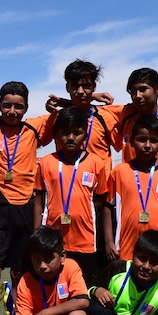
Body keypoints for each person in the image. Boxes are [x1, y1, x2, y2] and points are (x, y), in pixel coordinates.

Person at [0, 82, 58, 315]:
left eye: (19, 106)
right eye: (7, 105)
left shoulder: (36, 127)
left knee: (21, 274)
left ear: (26, 107)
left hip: (26, 209)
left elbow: (75, 109)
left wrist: (90, 97)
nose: (12, 111)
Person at [103, 115, 158, 276]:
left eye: (154, 140)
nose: (148, 145)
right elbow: (108, 207)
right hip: (126, 251)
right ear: (131, 141)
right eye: (142, 139)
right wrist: (108, 242)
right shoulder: (119, 172)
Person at [34, 107, 109, 284]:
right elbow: (39, 201)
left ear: (85, 133)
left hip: (85, 239)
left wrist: (80, 211)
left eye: (77, 133)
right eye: (65, 133)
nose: (71, 137)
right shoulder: (46, 162)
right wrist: (37, 232)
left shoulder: (96, 163)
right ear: (57, 135)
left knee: (85, 286)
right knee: (54, 286)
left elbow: (100, 199)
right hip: (52, 238)